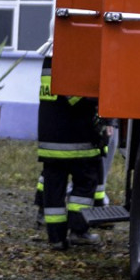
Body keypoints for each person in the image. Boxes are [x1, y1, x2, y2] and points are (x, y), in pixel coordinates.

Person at [36, 50, 103, 250]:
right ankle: (79, 231)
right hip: (76, 139)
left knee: (54, 190)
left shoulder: (50, 61)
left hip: (51, 140)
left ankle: (56, 238)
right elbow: (76, 97)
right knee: (84, 186)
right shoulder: (71, 58)